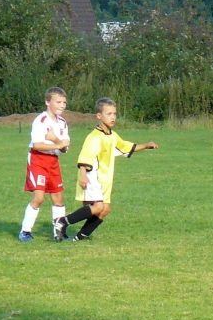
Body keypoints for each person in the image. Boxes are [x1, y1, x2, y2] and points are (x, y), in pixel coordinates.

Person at [52, 97, 158, 242]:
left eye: (114, 114)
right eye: (109, 114)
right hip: (91, 176)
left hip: (105, 181)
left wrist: (146, 145)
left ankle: (79, 238)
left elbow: (126, 147)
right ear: (99, 116)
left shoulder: (113, 136)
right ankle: (62, 221)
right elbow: (85, 156)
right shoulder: (94, 137)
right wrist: (83, 175)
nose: (113, 117)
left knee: (105, 210)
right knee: (97, 207)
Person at [18, 87, 71, 242]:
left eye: (64, 102)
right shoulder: (41, 121)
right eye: (58, 102)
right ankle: (25, 231)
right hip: (38, 160)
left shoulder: (62, 123)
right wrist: (58, 144)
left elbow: (65, 148)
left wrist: (55, 140)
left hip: (53, 161)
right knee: (39, 197)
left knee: (58, 198)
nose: (62, 105)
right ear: (48, 102)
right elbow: (37, 145)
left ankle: (59, 232)